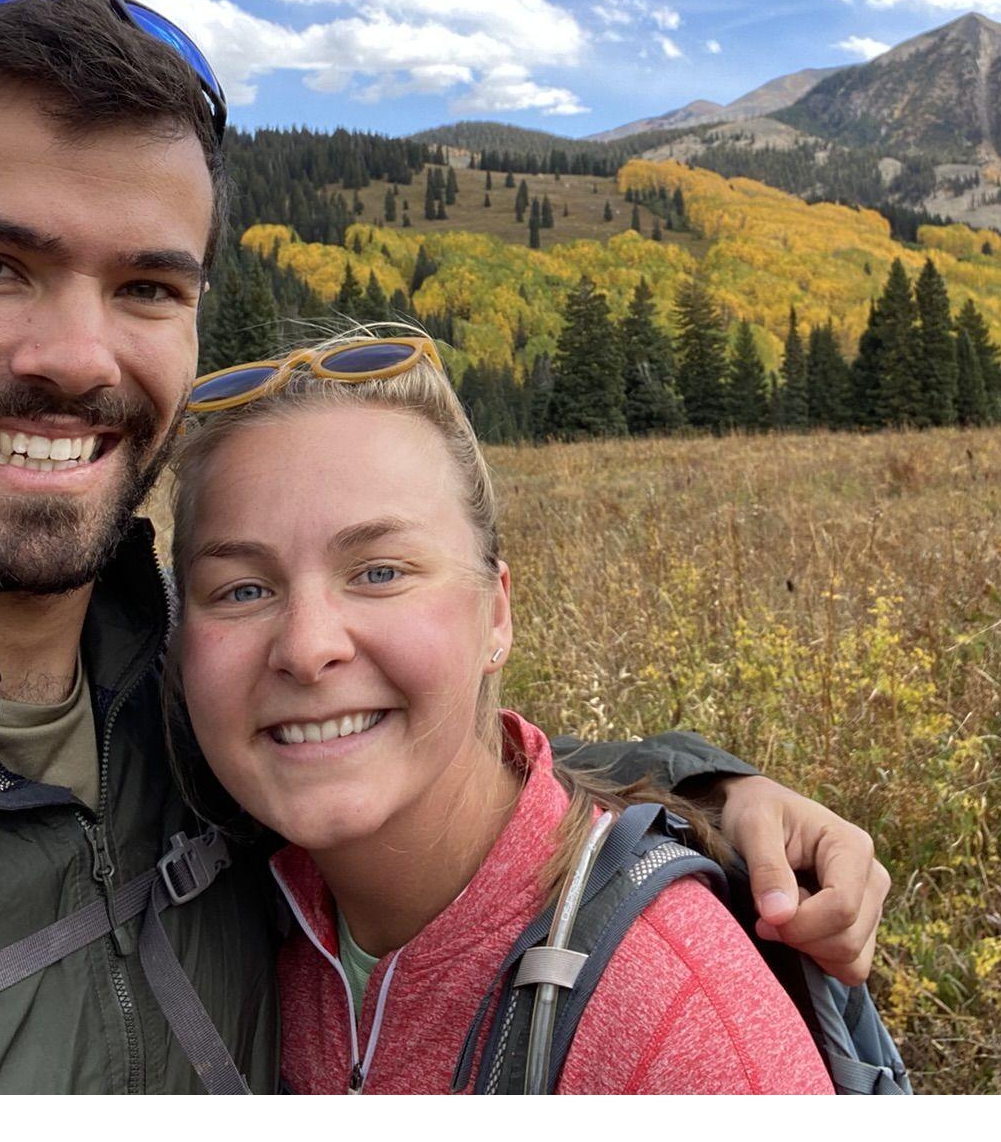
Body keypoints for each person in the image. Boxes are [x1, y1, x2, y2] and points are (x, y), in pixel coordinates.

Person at [0, 0, 888, 1093]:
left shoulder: (188, 717)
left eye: (146, 285)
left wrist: (702, 794)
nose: (75, 355)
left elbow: (405, 750)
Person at [173, 328, 837, 1093]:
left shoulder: (678, 1029)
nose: (307, 646)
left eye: (380, 571)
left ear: (496, 616)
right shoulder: (227, 907)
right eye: (243, 590)